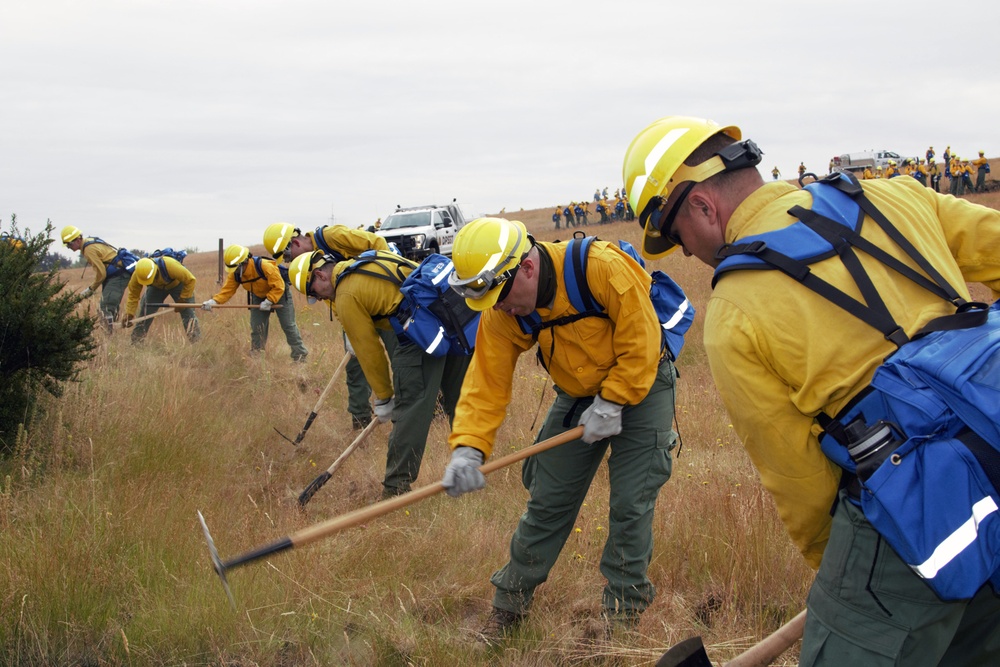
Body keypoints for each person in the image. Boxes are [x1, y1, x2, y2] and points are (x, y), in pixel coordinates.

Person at [622, 115, 1000, 666]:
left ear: (703, 205)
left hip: (915, 512)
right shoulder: (899, 196)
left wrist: (850, 592)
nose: (684, 252)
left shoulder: (733, 313)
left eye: (677, 235)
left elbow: (801, 484)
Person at [440, 217, 679, 640]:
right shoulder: (502, 308)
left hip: (643, 386)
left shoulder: (602, 268)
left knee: (629, 505)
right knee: (548, 499)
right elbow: (486, 382)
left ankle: (620, 622)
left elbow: (643, 341)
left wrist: (614, 399)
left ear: (527, 268)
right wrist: (469, 447)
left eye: (501, 297)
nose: (499, 309)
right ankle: (508, 607)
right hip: (578, 396)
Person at [287, 249, 470, 497]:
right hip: (450, 321)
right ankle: (472, 460)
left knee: (410, 411)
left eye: (314, 293)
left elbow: (369, 351)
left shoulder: (346, 295)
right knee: (460, 399)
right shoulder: (367, 259)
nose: (318, 299)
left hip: (420, 335)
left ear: (319, 275)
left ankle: (395, 490)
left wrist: (384, 397)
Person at [265, 222, 388, 427]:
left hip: (381, 302)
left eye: (288, 257)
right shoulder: (309, 268)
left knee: (401, 355)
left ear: (295, 242)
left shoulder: (332, 237)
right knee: (355, 366)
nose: (290, 262)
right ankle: (360, 419)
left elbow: (378, 243)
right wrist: (349, 328)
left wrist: (380, 280)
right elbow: (332, 297)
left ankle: (421, 407)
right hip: (353, 311)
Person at [202, 244, 308, 361]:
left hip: (280, 294)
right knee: (257, 327)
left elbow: (279, 286)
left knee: (288, 325)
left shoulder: (265, 266)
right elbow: (227, 291)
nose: (235, 271)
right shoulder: (236, 274)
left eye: (236, 268)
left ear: (244, 262)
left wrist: (269, 300)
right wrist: (214, 301)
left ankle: (300, 356)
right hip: (258, 296)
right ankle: (257, 357)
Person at [61, 226, 133, 322]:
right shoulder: (90, 242)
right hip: (117, 274)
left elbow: (101, 273)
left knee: (105, 308)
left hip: (118, 275)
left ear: (78, 240)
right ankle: (113, 333)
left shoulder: (88, 250)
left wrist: (90, 289)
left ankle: (108, 335)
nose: (68, 248)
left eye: (69, 244)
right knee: (109, 307)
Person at [123, 256, 200, 343]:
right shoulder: (137, 275)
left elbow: (191, 279)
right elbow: (133, 294)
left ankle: (196, 343)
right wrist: (129, 313)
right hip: (156, 288)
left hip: (177, 285)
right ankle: (136, 343)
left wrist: (183, 299)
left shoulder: (171, 266)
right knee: (145, 312)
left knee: (188, 313)